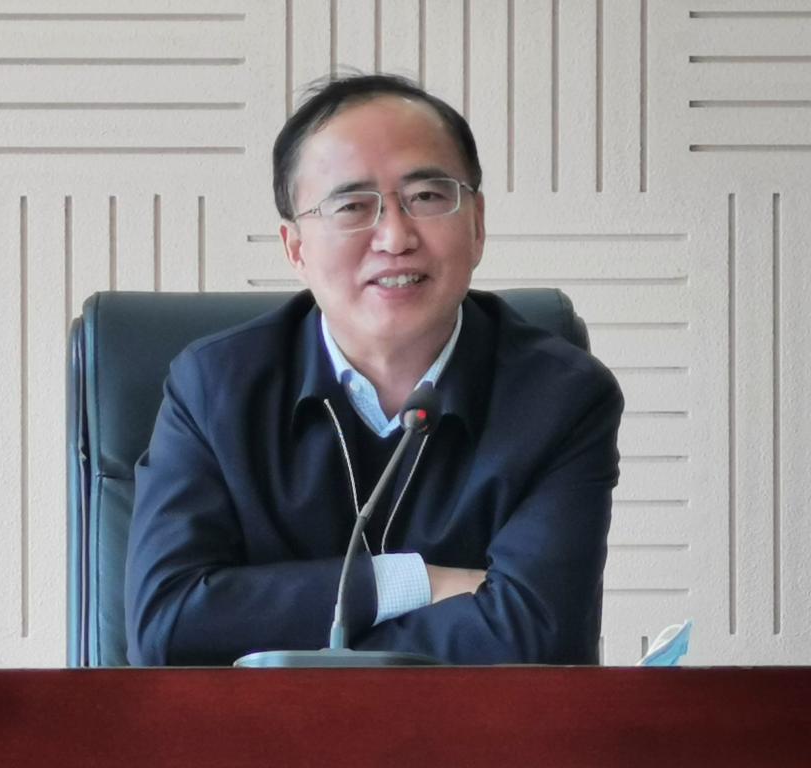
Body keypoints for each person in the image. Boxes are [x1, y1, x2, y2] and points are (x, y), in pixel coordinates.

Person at [126, 73, 624, 666]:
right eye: (352, 206)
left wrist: (281, 646)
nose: (394, 236)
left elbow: (540, 640)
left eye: (428, 197)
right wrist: (412, 582)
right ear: (296, 248)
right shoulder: (215, 388)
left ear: (477, 224)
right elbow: (166, 627)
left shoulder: (560, 397)